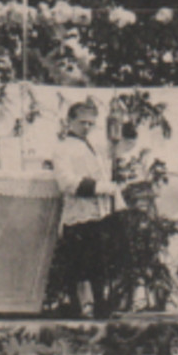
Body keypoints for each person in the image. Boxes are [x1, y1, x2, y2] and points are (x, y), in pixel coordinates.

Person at [51, 99, 121, 318]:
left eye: (91, 123)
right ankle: (79, 308)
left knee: (99, 263)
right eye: (82, 122)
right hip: (78, 214)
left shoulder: (92, 148)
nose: (87, 127)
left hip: (98, 213)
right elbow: (67, 182)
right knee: (77, 265)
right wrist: (101, 187)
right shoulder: (62, 149)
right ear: (69, 121)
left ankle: (101, 306)